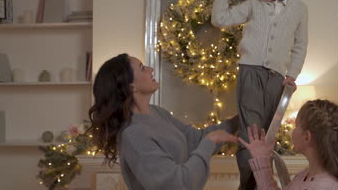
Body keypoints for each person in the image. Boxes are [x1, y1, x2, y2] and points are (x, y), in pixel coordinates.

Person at [211, 0, 308, 189]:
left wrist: (292, 74)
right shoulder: (253, 5)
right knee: (250, 134)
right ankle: (248, 185)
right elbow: (220, 19)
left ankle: (262, 182)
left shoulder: (299, 9)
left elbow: (300, 44)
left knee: (266, 137)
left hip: (276, 79)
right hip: (250, 73)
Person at [87, 53, 239, 190]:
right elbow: (177, 185)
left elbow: (195, 140)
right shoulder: (133, 135)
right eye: (142, 68)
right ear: (131, 86)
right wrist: (209, 141)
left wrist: (240, 120)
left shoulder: (158, 113)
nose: (151, 69)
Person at [239, 99, 338, 190]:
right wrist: (262, 160)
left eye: (296, 126)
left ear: (307, 137)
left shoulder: (326, 186)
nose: (292, 131)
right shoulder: (305, 176)